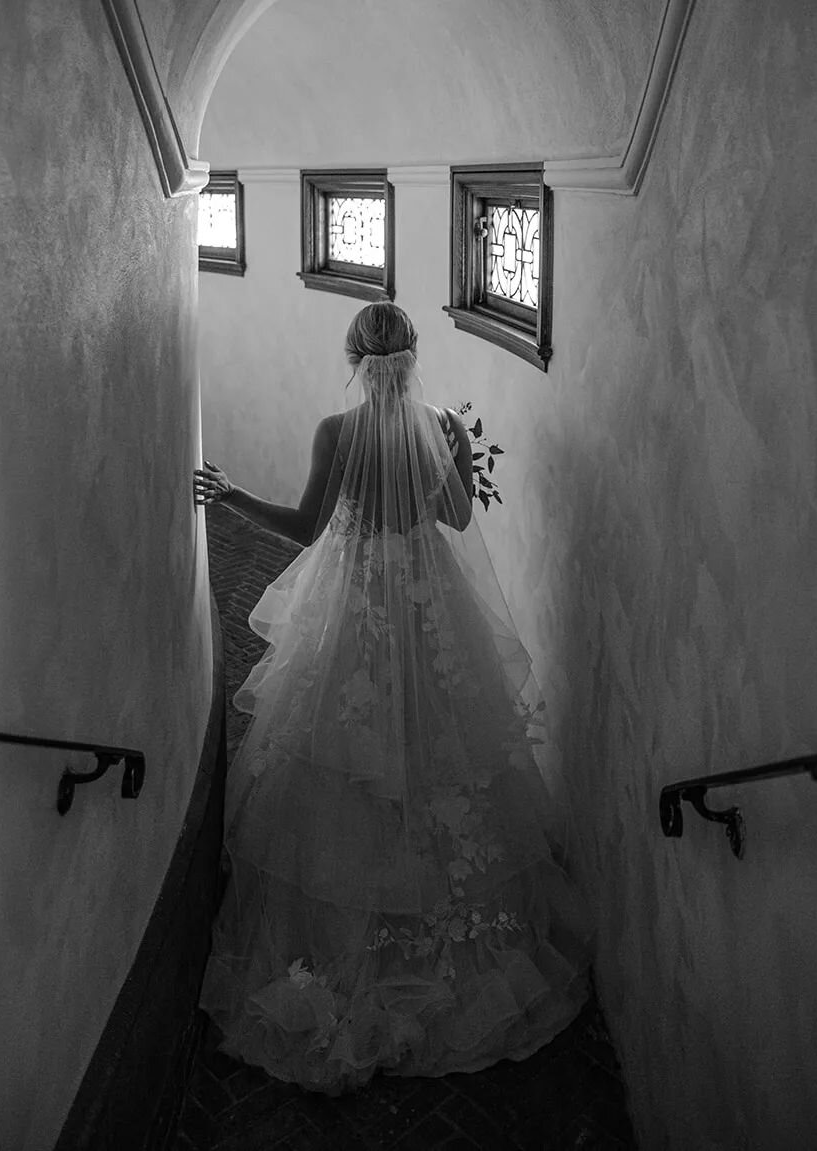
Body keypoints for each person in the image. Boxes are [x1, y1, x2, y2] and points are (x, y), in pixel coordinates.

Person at [193, 301, 591, 1094]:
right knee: (439, 744)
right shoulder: (441, 422)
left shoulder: (335, 432)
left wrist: (231, 496)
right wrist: (457, 457)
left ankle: (356, 915)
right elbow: (455, 514)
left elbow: (309, 528)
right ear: (411, 357)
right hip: (426, 602)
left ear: (354, 357)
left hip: (357, 601)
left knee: (347, 749)